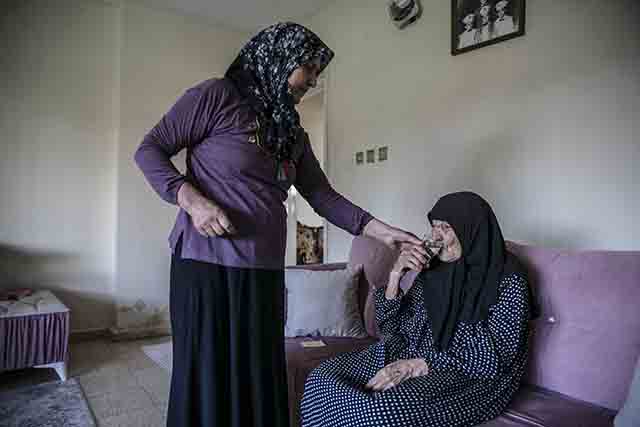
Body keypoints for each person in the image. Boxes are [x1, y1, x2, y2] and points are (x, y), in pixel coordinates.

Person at [134, 22, 421, 427]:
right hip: (207, 266)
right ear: (279, 59)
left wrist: (383, 231)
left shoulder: (291, 132)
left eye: (318, 73)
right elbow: (149, 150)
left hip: (264, 270)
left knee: (256, 376)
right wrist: (192, 201)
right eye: (308, 68)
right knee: (209, 376)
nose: (314, 80)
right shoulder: (217, 96)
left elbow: (322, 196)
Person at [300, 192, 535, 427]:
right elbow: (391, 329)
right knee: (321, 379)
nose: (436, 237)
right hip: (410, 353)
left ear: (471, 230)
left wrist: (416, 366)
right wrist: (396, 275)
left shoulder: (509, 279)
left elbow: (497, 356)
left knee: (377, 411)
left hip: (470, 375)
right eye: (434, 227)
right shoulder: (435, 268)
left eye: (445, 228)